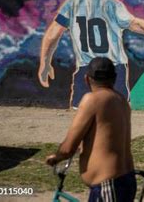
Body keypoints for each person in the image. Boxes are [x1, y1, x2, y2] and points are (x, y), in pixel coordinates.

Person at [45, 57, 136, 201]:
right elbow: (106, 135)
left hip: (108, 185)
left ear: (87, 79)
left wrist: (56, 158)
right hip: (125, 179)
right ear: (114, 78)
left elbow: (68, 148)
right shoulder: (121, 100)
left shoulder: (92, 99)